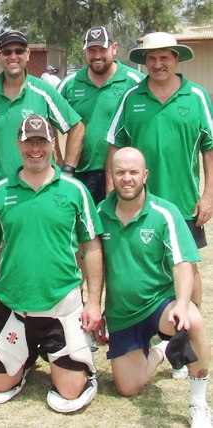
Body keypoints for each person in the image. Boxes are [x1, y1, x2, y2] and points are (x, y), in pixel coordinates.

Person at [0, 114, 103, 412]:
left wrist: (94, 301)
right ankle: (25, 357)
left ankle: (64, 357)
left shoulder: (74, 190)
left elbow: (92, 247)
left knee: (70, 394)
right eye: (28, 141)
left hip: (61, 304)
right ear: (18, 145)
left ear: (52, 143)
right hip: (14, 303)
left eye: (41, 141)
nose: (35, 148)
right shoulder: (1, 191)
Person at [96, 147, 212, 427]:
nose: (127, 178)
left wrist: (183, 305)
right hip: (122, 314)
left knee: (193, 321)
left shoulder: (164, 212)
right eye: (120, 172)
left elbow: (183, 264)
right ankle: (163, 349)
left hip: (158, 305)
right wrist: (95, 308)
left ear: (145, 175)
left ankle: (199, 403)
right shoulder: (98, 213)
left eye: (133, 172)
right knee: (128, 388)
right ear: (111, 175)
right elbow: (91, 265)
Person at [106, 32, 213, 310]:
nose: (158, 64)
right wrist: (111, 192)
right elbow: (115, 147)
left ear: (176, 60)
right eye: (152, 58)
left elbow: (209, 149)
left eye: (164, 57)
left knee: (187, 266)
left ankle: (189, 327)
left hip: (184, 203)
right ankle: (144, 322)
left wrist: (208, 194)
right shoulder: (131, 97)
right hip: (139, 204)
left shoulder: (197, 97)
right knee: (139, 264)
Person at [0, 29, 84, 201]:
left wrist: (68, 169)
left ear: (28, 54)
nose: (13, 56)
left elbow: (77, 127)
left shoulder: (43, 91)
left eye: (19, 51)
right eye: (7, 52)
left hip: (38, 191)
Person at [58, 26, 144, 204]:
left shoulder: (135, 81)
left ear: (114, 48)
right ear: (85, 53)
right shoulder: (70, 84)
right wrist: (58, 160)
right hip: (81, 172)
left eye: (102, 49)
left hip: (124, 173)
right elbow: (46, 121)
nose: (97, 55)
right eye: (91, 50)